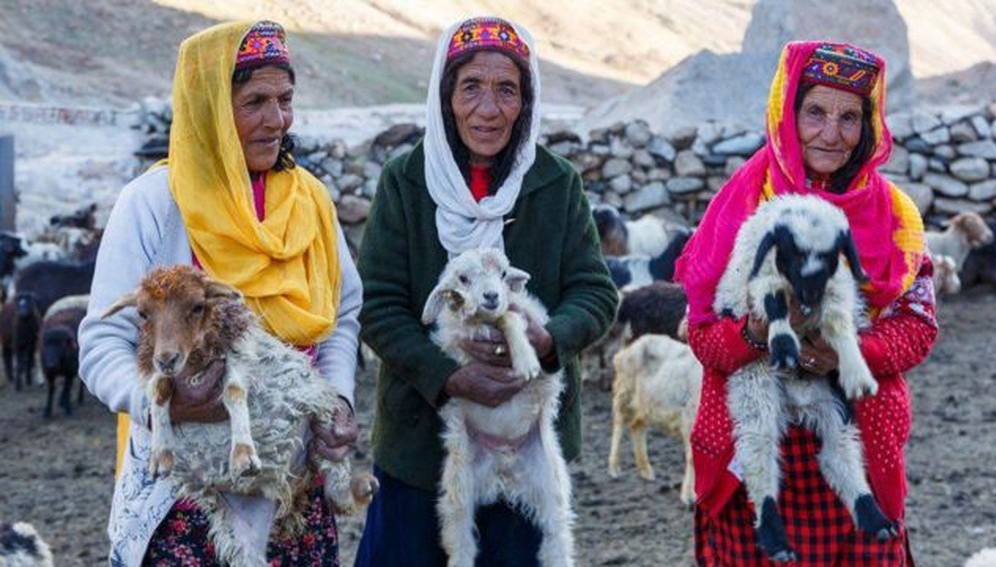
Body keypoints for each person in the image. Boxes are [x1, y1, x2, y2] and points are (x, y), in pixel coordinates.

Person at [78, 21, 363, 565]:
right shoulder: (155, 203)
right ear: (209, 107)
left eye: (285, 100)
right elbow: (100, 343)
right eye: (254, 101)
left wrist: (338, 401)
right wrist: (166, 402)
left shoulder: (311, 202)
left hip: (291, 489)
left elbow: (343, 314)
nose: (276, 120)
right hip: (183, 495)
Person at [352, 16, 619, 566]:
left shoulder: (555, 182)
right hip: (421, 448)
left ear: (527, 100)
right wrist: (449, 375)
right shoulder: (405, 181)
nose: (489, 109)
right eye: (471, 87)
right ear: (446, 95)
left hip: (526, 447)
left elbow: (595, 291)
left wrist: (546, 342)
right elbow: (377, 305)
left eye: (507, 90)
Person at [675, 41, 939, 565]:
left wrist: (847, 354)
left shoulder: (896, 217)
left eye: (849, 118)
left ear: (869, 127)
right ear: (787, 113)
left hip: (857, 439)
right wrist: (757, 333)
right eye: (815, 112)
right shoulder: (742, 206)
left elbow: (919, 323)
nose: (831, 133)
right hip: (747, 448)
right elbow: (704, 336)